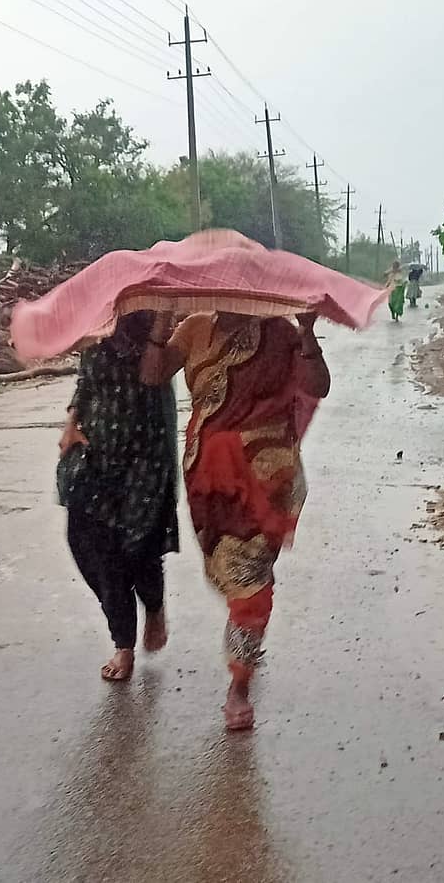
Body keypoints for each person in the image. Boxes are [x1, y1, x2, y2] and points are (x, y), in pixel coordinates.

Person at [140, 311, 330, 729]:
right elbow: (152, 375)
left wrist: (308, 332)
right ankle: (246, 640)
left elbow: (318, 386)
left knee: (250, 576)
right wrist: (159, 323)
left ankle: (239, 684)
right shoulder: (191, 329)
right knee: (225, 567)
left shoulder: (280, 331)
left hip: (268, 473)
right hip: (207, 474)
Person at [58, 311, 179, 682]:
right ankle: (123, 634)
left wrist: (160, 326)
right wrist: (71, 424)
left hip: (146, 455)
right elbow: (85, 382)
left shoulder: (162, 335)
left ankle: (148, 611)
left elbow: (151, 375)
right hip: (96, 452)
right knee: (87, 543)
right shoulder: (98, 333)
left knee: (137, 549)